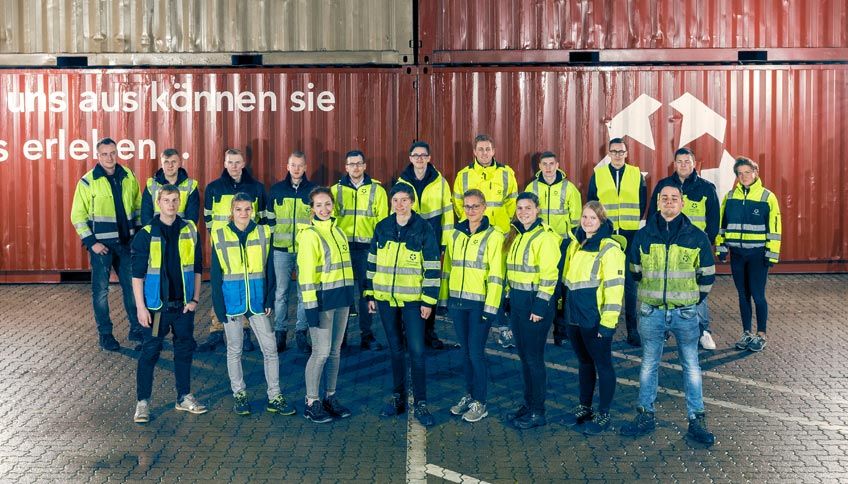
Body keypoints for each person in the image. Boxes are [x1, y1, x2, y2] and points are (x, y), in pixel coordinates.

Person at [620, 186, 716, 445]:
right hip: (652, 311)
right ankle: (645, 415)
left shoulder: (697, 237)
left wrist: (693, 301)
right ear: (658, 204)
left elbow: (707, 275)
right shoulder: (643, 236)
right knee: (649, 364)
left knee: (691, 366)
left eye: (674, 199)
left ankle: (696, 419)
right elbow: (634, 270)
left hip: (685, 313)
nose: (669, 202)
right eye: (665, 198)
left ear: (682, 204)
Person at [212, 193, 296, 417]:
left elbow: (270, 269)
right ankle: (239, 394)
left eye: (247, 209)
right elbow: (216, 274)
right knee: (234, 350)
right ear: (232, 211)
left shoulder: (263, 232)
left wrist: (269, 299)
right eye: (239, 209)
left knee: (270, 349)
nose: (243, 213)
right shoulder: (219, 234)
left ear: (253, 211)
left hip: (258, 300)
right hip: (231, 300)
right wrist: (218, 307)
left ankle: (275, 396)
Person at [366, 184, 441, 427]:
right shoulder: (382, 227)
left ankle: (421, 403)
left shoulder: (424, 228)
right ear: (391, 203)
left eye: (404, 200)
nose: (400, 204)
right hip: (385, 299)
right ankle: (398, 398)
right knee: (395, 350)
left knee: (417, 351)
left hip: (413, 301)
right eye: (396, 200)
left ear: (412, 202)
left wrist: (428, 300)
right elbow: (372, 262)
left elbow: (432, 267)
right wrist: (370, 294)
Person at [130, 185, 207, 423]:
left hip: (183, 308)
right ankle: (143, 403)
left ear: (179, 202)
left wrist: (195, 299)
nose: (171, 204)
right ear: (158, 203)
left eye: (175, 200)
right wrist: (141, 308)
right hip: (156, 309)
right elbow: (137, 276)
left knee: (184, 352)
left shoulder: (190, 230)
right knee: (150, 353)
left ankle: (183, 397)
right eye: (166, 200)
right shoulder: (145, 234)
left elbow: (197, 268)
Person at [70, 137, 143, 351]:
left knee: (132, 289)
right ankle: (106, 335)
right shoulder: (87, 181)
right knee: (101, 292)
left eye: (112, 153)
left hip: (127, 244)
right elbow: (77, 216)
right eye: (104, 154)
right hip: (102, 246)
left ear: (116, 153)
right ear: (98, 155)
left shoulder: (128, 175)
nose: (109, 158)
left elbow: (138, 206)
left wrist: (138, 236)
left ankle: (137, 329)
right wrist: (92, 242)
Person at [439, 189, 505, 423]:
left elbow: (497, 275)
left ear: (484, 207)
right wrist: (444, 300)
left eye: (475, 206)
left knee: (476, 353)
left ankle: (481, 402)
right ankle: (469, 395)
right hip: (458, 303)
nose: (471, 210)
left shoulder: (495, 236)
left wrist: (491, 308)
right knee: (465, 352)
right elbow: (447, 269)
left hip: (479, 305)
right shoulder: (455, 235)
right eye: (467, 206)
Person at [561, 202, 625, 435]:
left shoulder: (610, 249)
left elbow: (615, 290)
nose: (587, 222)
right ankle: (585, 407)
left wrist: (608, 323)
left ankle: (604, 413)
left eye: (593, 218)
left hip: (595, 319)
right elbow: (568, 282)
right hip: (575, 317)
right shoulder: (576, 244)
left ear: (602, 221)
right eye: (585, 217)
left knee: (603, 365)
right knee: (584, 363)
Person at [647, 147, 720, 350]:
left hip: (694, 249)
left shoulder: (706, 188)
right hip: (665, 246)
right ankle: (663, 330)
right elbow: (653, 215)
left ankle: (702, 331)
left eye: (687, 161)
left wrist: (705, 244)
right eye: (679, 161)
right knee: (664, 286)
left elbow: (714, 221)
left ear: (694, 164)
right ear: (674, 164)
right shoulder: (663, 186)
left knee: (696, 289)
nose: (683, 165)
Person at [197, 148, 267, 353]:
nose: (234, 166)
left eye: (237, 162)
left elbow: (262, 218)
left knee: (244, 285)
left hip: (248, 247)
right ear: (225, 164)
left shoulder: (256, 188)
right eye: (230, 162)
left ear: (243, 164)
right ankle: (216, 332)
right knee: (219, 287)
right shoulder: (213, 188)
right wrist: (220, 240)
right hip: (223, 248)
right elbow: (208, 219)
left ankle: (244, 333)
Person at [452, 134, 518, 348]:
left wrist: (507, 227)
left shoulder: (506, 173)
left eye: (488, 149)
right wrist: (471, 226)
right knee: (477, 279)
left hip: (500, 236)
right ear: (474, 151)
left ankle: (502, 327)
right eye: (480, 149)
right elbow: (458, 204)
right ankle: (476, 326)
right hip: (475, 236)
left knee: (499, 280)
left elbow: (512, 203)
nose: (484, 153)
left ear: (494, 151)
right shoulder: (463, 175)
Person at [503, 192, 562, 430]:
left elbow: (550, 276)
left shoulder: (544, 237)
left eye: (528, 208)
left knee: (534, 359)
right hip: (518, 302)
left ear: (537, 209)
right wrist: (508, 298)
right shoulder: (517, 235)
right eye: (520, 208)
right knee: (524, 357)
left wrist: (540, 306)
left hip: (534, 304)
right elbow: (513, 272)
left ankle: (538, 412)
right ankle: (528, 404)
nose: (523, 212)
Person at [297, 187, 356, 423]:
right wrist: (311, 309)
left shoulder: (339, 231)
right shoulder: (309, 236)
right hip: (322, 302)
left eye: (328, 204)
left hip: (342, 299)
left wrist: (350, 299)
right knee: (320, 353)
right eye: (319, 205)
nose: (324, 209)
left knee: (334, 351)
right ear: (312, 209)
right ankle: (311, 402)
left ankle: (330, 397)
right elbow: (306, 276)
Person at [716, 157, 782, 353]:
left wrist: (771, 254)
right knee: (742, 294)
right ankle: (746, 333)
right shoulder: (730, 197)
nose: (744, 176)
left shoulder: (767, 197)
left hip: (758, 255)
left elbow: (775, 228)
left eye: (747, 172)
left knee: (758, 294)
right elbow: (722, 224)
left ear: (755, 173)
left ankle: (761, 335)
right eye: (740, 173)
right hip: (737, 254)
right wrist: (721, 247)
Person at [588, 138, 647, 347]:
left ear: (626, 153)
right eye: (614, 151)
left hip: (630, 235)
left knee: (629, 285)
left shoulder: (636, 174)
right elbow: (592, 203)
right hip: (607, 234)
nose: (618, 155)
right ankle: (603, 328)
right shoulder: (599, 174)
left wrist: (632, 223)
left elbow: (642, 201)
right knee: (604, 281)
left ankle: (632, 330)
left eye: (621, 151)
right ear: (609, 154)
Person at [396, 141, 454, 349]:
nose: (419, 158)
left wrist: (445, 243)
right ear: (410, 158)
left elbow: (448, 213)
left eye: (423, 155)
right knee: (408, 287)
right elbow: (396, 212)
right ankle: (407, 333)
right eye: (415, 155)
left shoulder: (441, 182)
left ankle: (429, 332)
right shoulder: (402, 182)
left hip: (432, 242)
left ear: (429, 158)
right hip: (409, 243)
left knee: (430, 287)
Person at [331, 150, 388, 351]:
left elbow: (382, 223)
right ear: (346, 167)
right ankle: (341, 337)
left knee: (367, 293)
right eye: (351, 164)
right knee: (343, 294)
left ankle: (367, 335)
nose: (355, 167)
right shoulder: (335, 190)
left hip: (367, 250)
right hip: (343, 249)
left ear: (364, 166)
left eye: (358, 163)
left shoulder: (377, 191)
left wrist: (378, 248)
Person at [525, 151, 583, 346]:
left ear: (558, 165)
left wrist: (572, 245)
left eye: (552, 164)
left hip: (562, 244)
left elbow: (577, 221)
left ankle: (561, 332)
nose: (548, 168)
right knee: (540, 284)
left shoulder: (569, 188)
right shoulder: (532, 187)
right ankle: (538, 326)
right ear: (539, 166)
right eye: (545, 164)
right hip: (539, 243)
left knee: (561, 289)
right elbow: (526, 215)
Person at [267, 151, 315, 353]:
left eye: (300, 165)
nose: (296, 169)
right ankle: (280, 333)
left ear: (305, 167)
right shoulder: (276, 190)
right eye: (293, 165)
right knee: (281, 293)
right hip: (281, 251)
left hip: (305, 251)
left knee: (304, 293)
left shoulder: (313, 191)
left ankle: (301, 333)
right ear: (287, 167)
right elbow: (269, 220)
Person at [140, 148, 199, 225]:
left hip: (181, 231)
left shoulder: (191, 185)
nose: (170, 165)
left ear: (179, 164)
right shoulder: (151, 185)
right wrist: (156, 231)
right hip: (156, 231)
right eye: (166, 162)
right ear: (162, 164)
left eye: (173, 162)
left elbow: (192, 217)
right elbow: (145, 216)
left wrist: (178, 230)